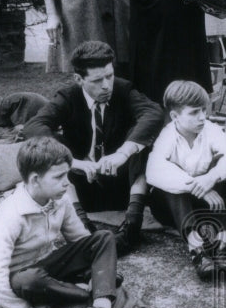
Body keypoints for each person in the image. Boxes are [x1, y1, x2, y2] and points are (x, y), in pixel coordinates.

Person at [23, 41, 164, 253]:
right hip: (82, 187)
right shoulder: (68, 97)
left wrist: (122, 153)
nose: (107, 85)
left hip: (123, 187)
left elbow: (154, 113)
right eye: (97, 80)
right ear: (79, 79)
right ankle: (82, 226)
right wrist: (74, 163)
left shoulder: (124, 90)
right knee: (51, 144)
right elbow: (33, 126)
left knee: (141, 143)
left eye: (110, 75)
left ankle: (132, 226)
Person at [0, 136, 123, 308]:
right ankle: (89, 291)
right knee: (29, 279)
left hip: (50, 266)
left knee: (103, 237)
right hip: (22, 277)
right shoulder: (8, 216)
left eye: (67, 175)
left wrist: (93, 259)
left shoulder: (60, 200)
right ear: (35, 180)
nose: (67, 183)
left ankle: (101, 307)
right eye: (59, 177)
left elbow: (80, 240)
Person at [145, 80, 226, 279]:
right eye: (194, 113)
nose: (202, 117)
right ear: (175, 117)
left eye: (203, 110)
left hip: (202, 205)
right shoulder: (167, 135)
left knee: (225, 174)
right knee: (172, 187)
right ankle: (197, 250)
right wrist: (200, 186)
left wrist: (211, 178)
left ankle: (224, 244)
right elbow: (154, 171)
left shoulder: (209, 128)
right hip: (173, 208)